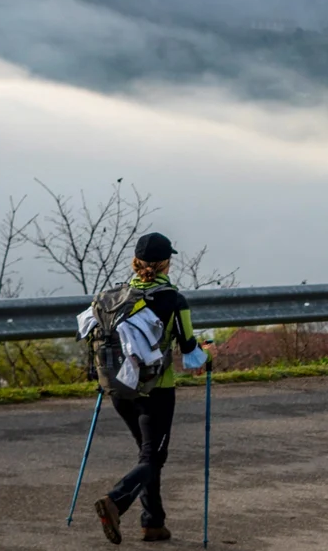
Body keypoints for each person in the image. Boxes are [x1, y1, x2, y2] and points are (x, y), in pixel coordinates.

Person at [93, 232, 210, 544]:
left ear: (136, 262)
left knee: (148, 455)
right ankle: (115, 501)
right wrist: (207, 356)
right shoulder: (173, 300)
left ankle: (153, 523)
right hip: (156, 390)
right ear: (166, 264)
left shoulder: (115, 297)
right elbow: (189, 350)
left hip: (120, 390)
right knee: (153, 457)